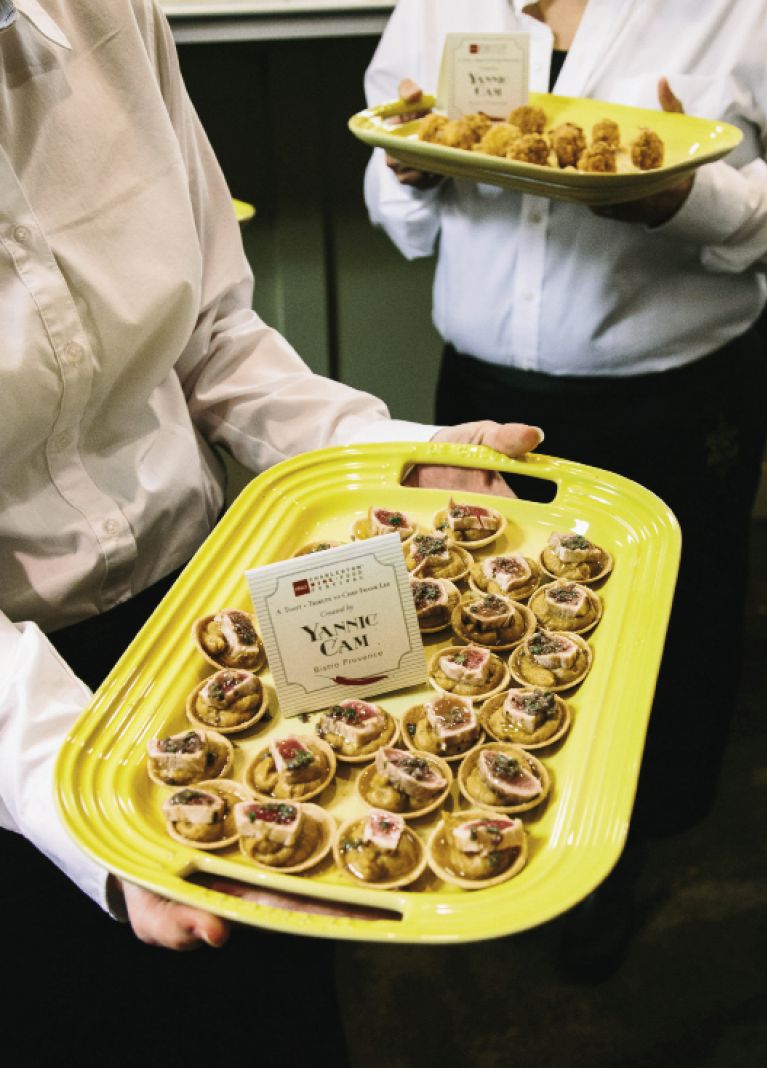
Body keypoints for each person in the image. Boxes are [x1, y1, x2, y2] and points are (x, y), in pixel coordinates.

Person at [0, 1, 542, 1060]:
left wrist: (383, 458)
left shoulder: (105, 13)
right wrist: (83, 797)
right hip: (14, 721)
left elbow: (209, 334)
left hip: (204, 615)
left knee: (275, 1001)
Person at [364, 0, 767, 845]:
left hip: (676, 405)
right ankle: (491, 831)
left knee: (669, 644)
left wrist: (692, 200)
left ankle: (637, 847)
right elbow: (394, 181)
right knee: (476, 630)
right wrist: (409, 171)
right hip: (480, 402)